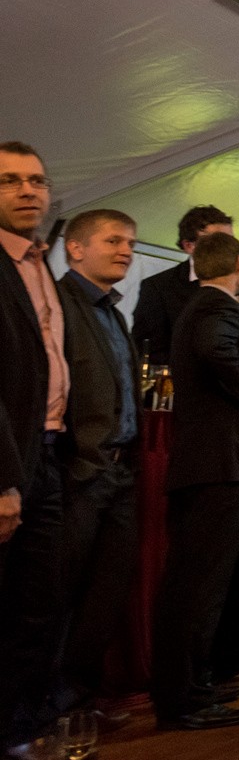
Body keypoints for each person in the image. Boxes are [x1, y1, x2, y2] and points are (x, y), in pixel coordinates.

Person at [152, 232, 239, 730]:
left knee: (195, 586)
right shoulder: (217, 305)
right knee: (200, 589)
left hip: (215, 466)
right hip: (222, 467)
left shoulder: (203, 303)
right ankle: (186, 699)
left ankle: (189, 691)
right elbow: (215, 347)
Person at [53, 209, 143, 721]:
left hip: (121, 470)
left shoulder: (114, 312)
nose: (126, 250)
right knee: (60, 595)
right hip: (80, 472)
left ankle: (80, 702)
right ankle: (48, 709)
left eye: (130, 242)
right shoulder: (57, 304)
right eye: (113, 241)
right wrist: (76, 459)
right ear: (76, 248)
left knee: (105, 595)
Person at [0, 141, 70, 752]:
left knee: (38, 603)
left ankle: (18, 727)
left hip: (48, 454)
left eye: (37, 180)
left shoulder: (40, 262)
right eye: (10, 181)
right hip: (9, 461)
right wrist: (3, 478)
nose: (28, 191)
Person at [131, 205, 239, 363]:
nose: (227, 248)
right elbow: (150, 349)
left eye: (230, 240)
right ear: (189, 246)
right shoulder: (159, 287)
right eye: (217, 241)